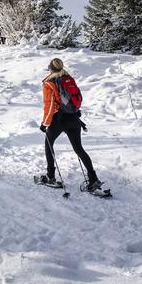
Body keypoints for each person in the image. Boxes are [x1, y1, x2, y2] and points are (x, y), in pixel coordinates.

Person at [39, 58, 102, 191]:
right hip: (74, 118)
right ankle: (93, 179)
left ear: (50, 69)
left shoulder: (49, 83)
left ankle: (50, 176)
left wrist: (45, 123)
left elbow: (49, 106)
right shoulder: (68, 79)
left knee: (48, 144)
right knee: (79, 149)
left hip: (59, 120)